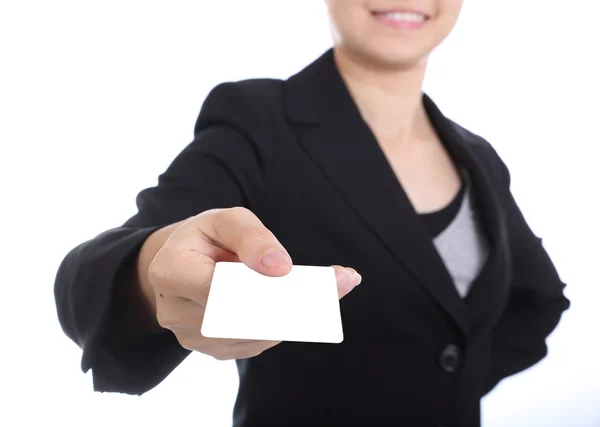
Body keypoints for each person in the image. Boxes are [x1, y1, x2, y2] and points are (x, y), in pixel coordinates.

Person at [54, 1, 570, 426]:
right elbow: (95, 273)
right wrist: (150, 276)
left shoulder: (477, 157)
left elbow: (540, 300)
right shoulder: (258, 121)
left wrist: (446, 383)